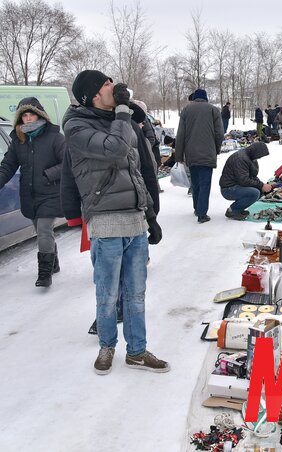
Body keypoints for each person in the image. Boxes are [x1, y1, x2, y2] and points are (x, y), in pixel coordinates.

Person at [64, 69, 168, 375]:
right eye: (108, 85)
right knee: (108, 294)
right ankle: (107, 347)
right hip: (106, 220)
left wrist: (151, 216)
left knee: (136, 293)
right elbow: (116, 149)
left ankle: (136, 351)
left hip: (135, 219)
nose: (116, 88)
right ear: (94, 94)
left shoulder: (119, 121)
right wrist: (123, 112)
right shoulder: (76, 126)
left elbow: (136, 172)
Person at [0, 97, 65, 287]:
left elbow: (68, 163)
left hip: (51, 193)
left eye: (31, 115)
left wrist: (48, 174)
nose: (28, 119)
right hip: (30, 195)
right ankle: (54, 262)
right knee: (41, 230)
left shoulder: (55, 137)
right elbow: (8, 166)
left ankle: (44, 274)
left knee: (44, 229)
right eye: (25, 116)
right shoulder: (18, 140)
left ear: (40, 115)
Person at [175, 88, 225, 224]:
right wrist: (216, 149)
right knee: (205, 184)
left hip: (191, 154)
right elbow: (220, 133)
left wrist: (179, 155)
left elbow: (180, 134)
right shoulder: (213, 110)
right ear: (206, 98)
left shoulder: (186, 110)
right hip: (207, 153)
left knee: (195, 183)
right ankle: (202, 214)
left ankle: (197, 208)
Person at [219, 142, 273, 220]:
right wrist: (261, 185)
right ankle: (232, 210)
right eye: (260, 156)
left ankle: (239, 209)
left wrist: (262, 185)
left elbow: (252, 176)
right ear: (256, 152)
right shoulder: (241, 159)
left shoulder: (250, 157)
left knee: (259, 191)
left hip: (236, 185)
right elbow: (243, 180)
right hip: (228, 188)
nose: (259, 158)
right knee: (254, 193)